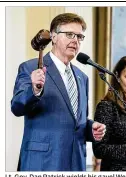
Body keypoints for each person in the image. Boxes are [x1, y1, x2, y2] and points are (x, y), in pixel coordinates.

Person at [11, 13, 106, 171]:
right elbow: (16, 106)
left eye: (79, 37)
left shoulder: (82, 78)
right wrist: (33, 90)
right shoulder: (30, 67)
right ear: (53, 37)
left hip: (76, 163)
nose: (75, 40)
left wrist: (91, 128)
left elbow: (77, 122)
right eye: (69, 34)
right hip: (42, 162)